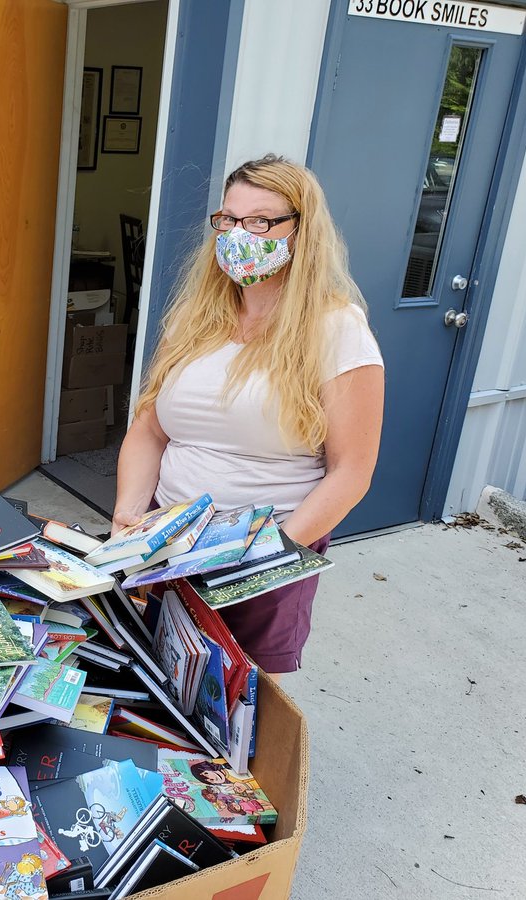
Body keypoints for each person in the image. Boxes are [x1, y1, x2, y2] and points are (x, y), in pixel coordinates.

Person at [114, 154, 384, 681]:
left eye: (261, 221)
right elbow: (149, 430)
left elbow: (351, 472)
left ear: (301, 231)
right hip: (169, 544)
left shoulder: (337, 330)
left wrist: (266, 560)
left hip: (268, 554)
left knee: (237, 705)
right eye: (229, 220)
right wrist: (128, 516)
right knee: (159, 685)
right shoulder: (196, 319)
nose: (240, 234)